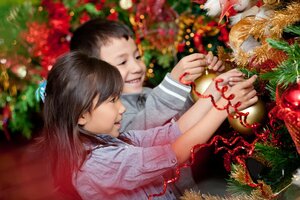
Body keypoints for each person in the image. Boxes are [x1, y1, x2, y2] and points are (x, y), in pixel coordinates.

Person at [40, 51, 257, 200]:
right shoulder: (97, 165)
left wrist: (213, 94)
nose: (122, 109)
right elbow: (174, 152)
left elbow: (173, 132)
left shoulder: (113, 141)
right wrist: (222, 109)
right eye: (112, 101)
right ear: (81, 116)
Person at [69, 18, 231, 195]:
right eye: (122, 62)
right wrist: (174, 82)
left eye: (137, 57)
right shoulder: (107, 129)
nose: (137, 67)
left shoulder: (149, 94)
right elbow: (157, 140)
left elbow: (175, 129)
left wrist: (213, 87)